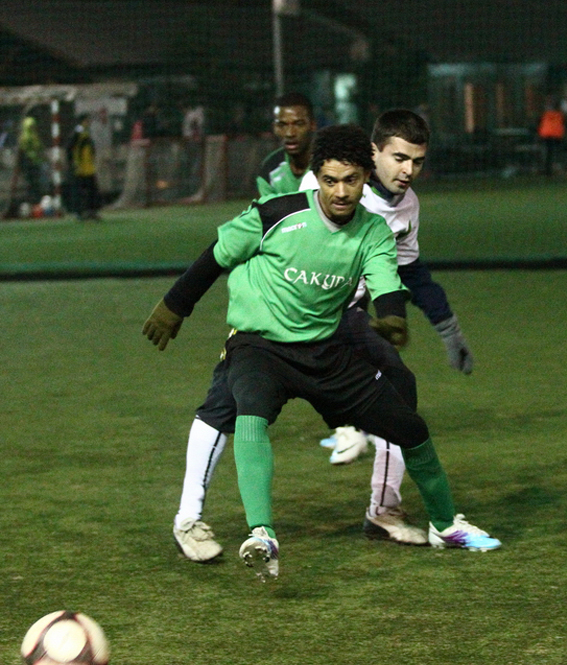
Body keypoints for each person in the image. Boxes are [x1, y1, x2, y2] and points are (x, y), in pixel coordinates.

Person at [143, 123, 501, 580]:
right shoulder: (276, 214)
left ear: (365, 179)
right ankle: (261, 534)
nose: (341, 192)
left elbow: (386, 280)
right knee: (248, 410)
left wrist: (392, 316)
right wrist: (175, 305)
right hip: (259, 344)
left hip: (325, 347)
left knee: (409, 426)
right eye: (330, 180)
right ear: (316, 178)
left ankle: (445, 526)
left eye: (351, 180)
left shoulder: (373, 232)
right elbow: (217, 254)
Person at [300, 110, 474, 545]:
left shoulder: (407, 205)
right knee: (234, 409)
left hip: (347, 319)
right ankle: (194, 517)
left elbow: (412, 274)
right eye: (399, 158)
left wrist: (449, 331)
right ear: (373, 151)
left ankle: (382, 509)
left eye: (417, 161)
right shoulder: (326, 187)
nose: (408, 170)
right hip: (291, 315)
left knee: (398, 396)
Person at [255, 92, 316, 197]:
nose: (290, 133)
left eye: (299, 124)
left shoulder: (331, 165)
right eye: (282, 125)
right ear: (274, 128)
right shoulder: (269, 170)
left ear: (312, 125)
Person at [66, 114, 101, 220]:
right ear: (83, 121)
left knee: (91, 190)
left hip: (88, 167)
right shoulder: (78, 132)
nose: (89, 122)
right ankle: (81, 212)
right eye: (87, 120)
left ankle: (90, 211)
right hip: (81, 168)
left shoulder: (85, 132)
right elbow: (70, 148)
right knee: (81, 191)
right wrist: (73, 163)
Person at [18, 116, 46, 204]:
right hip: (29, 163)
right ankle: (32, 201)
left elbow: (40, 148)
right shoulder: (25, 137)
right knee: (31, 184)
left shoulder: (34, 136)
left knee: (36, 183)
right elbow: (23, 151)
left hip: (36, 162)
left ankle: (36, 201)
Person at [537, 98, 566, 177]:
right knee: (556, 153)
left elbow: (539, 123)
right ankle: (556, 169)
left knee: (548, 153)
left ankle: (548, 170)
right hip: (556, 136)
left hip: (546, 135)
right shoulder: (560, 115)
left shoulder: (545, 114)